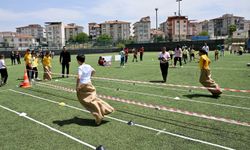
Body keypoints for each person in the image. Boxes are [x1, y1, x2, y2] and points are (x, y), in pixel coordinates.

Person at [76, 54, 114, 125]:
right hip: (90, 84)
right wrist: (89, 77)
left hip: (83, 87)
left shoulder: (80, 67)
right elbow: (94, 71)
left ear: (78, 60)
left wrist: (77, 86)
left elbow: (78, 77)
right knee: (94, 99)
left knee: (87, 102)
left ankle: (98, 116)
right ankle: (107, 109)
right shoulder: (88, 66)